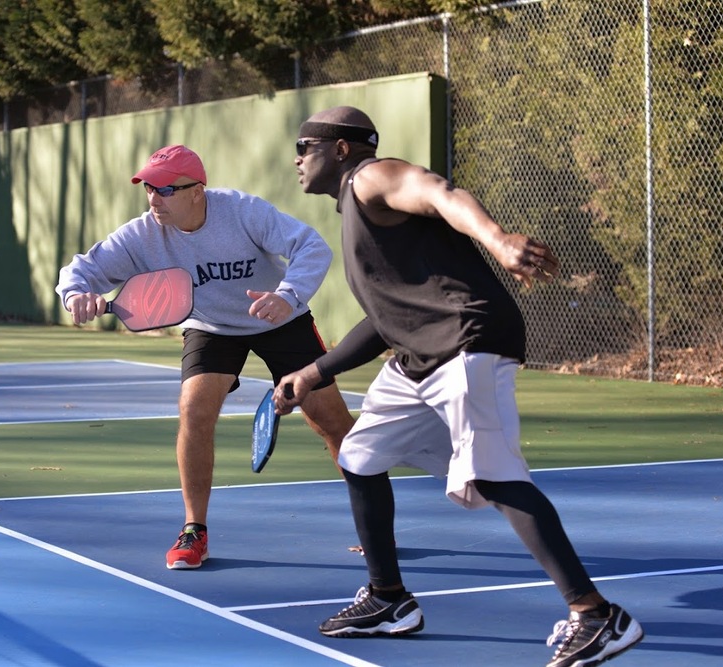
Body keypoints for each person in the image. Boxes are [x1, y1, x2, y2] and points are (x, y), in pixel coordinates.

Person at [274, 107, 644, 667]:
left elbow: (437, 190)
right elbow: (385, 320)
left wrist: (496, 240)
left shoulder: (370, 177)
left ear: (343, 149)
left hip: (465, 340)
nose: (297, 158)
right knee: (360, 454)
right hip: (417, 356)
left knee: (495, 475)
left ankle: (597, 615)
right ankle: (388, 600)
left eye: (305, 145)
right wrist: (314, 373)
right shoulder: (359, 215)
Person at [56, 144, 355, 570]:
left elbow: (311, 245)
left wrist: (288, 295)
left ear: (197, 190)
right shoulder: (142, 234)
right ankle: (194, 530)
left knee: (331, 422)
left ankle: (372, 519)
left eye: (165, 190)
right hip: (210, 326)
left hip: (279, 318)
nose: (154, 198)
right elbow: (82, 269)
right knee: (194, 410)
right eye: (148, 189)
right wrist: (76, 294)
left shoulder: (242, 211)